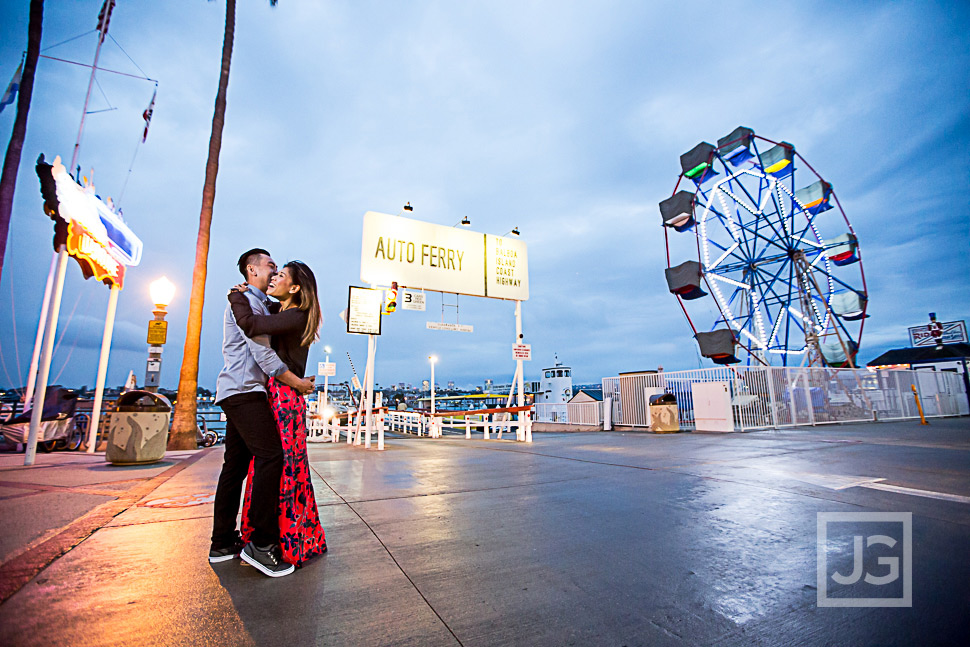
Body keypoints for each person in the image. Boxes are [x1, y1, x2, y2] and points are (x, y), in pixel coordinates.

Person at [210, 248, 314, 578]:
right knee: (271, 458)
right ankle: (262, 544)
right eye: (271, 266)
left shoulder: (258, 302)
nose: (274, 272)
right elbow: (265, 356)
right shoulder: (250, 303)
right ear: (252, 271)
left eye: (279, 270)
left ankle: (223, 543)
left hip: (237, 390)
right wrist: (297, 382)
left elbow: (273, 315)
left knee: (236, 466)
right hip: (246, 391)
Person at [228, 260, 327, 567]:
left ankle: (277, 542)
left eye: (281, 275)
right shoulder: (280, 312)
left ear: (295, 288)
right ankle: (263, 537)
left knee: (283, 467)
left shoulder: (297, 316)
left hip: (285, 397)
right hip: (275, 393)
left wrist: (235, 297)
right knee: (269, 467)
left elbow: (252, 325)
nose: (274, 277)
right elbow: (261, 313)